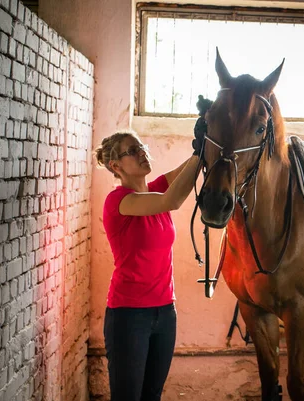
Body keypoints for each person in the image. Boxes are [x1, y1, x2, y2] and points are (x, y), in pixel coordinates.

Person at [94, 130, 200, 401]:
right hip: (129, 316)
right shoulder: (117, 201)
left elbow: (184, 171)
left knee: (152, 396)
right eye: (132, 150)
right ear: (115, 166)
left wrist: (207, 142)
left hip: (165, 313)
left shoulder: (155, 188)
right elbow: (172, 201)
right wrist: (201, 155)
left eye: (141, 146)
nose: (142, 152)